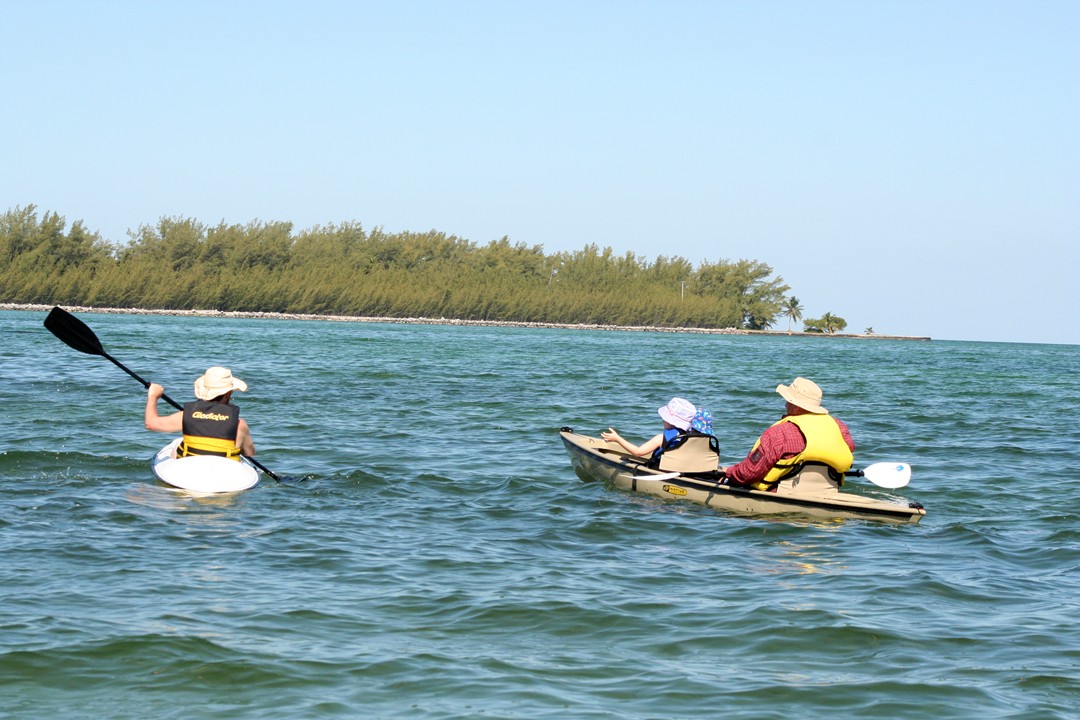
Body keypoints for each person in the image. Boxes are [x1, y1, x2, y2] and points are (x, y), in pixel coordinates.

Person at [720, 377, 854, 491]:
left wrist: (729, 472)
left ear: (795, 405)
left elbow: (749, 473)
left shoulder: (780, 433)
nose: (785, 405)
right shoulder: (840, 428)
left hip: (780, 495)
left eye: (788, 401)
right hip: (825, 494)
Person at [145, 366, 255, 460]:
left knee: (176, 445)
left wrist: (153, 396)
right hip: (225, 473)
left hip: (192, 471)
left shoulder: (185, 416)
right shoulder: (240, 424)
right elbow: (250, 453)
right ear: (228, 394)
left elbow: (150, 423)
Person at [601, 397, 697, 463]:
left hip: (661, 472)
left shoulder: (661, 438)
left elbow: (638, 452)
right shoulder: (690, 438)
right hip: (678, 470)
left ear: (669, 420)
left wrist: (617, 438)